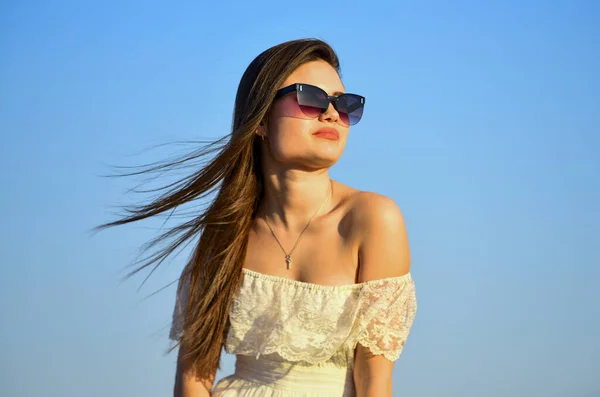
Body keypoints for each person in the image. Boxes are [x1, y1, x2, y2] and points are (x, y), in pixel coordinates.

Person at [101, 38, 417, 397]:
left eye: (345, 105)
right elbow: (193, 378)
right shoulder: (226, 232)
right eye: (309, 97)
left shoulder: (372, 218)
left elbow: (374, 381)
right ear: (260, 119)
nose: (331, 114)